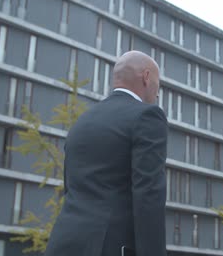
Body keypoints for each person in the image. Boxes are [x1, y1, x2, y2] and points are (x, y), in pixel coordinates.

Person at [44, 51, 168, 256]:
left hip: (63, 243)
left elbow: (71, 188)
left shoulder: (82, 122)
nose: (156, 94)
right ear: (146, 77)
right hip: (109, 246)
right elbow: (149, 194)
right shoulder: (147, 116)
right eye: (158, 85)